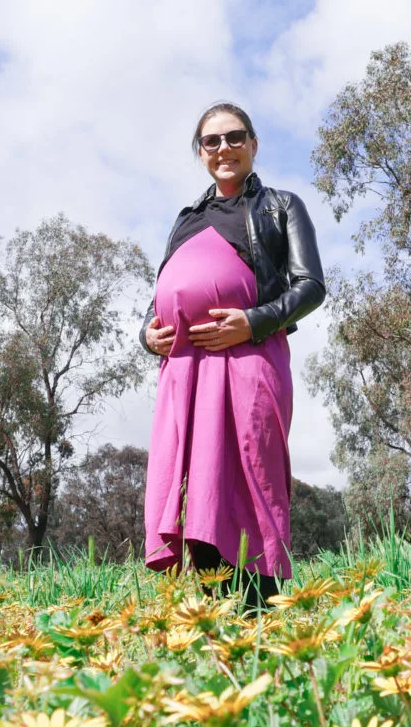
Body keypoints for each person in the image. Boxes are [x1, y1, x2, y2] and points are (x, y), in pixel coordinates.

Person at [139, 101, 325, 609]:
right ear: (200, 153)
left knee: (250, 479)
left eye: (235, 137)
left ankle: (259, 611)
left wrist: (253, 321)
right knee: (196, 489)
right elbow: (156, 298)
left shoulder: (281, 206)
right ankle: (215, 615)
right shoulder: (185, 219)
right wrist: (146, 336)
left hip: (251, 360)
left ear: (254, 144)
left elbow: (311, 287)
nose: (224, 148)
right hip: (185, 371)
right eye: (212, 141)